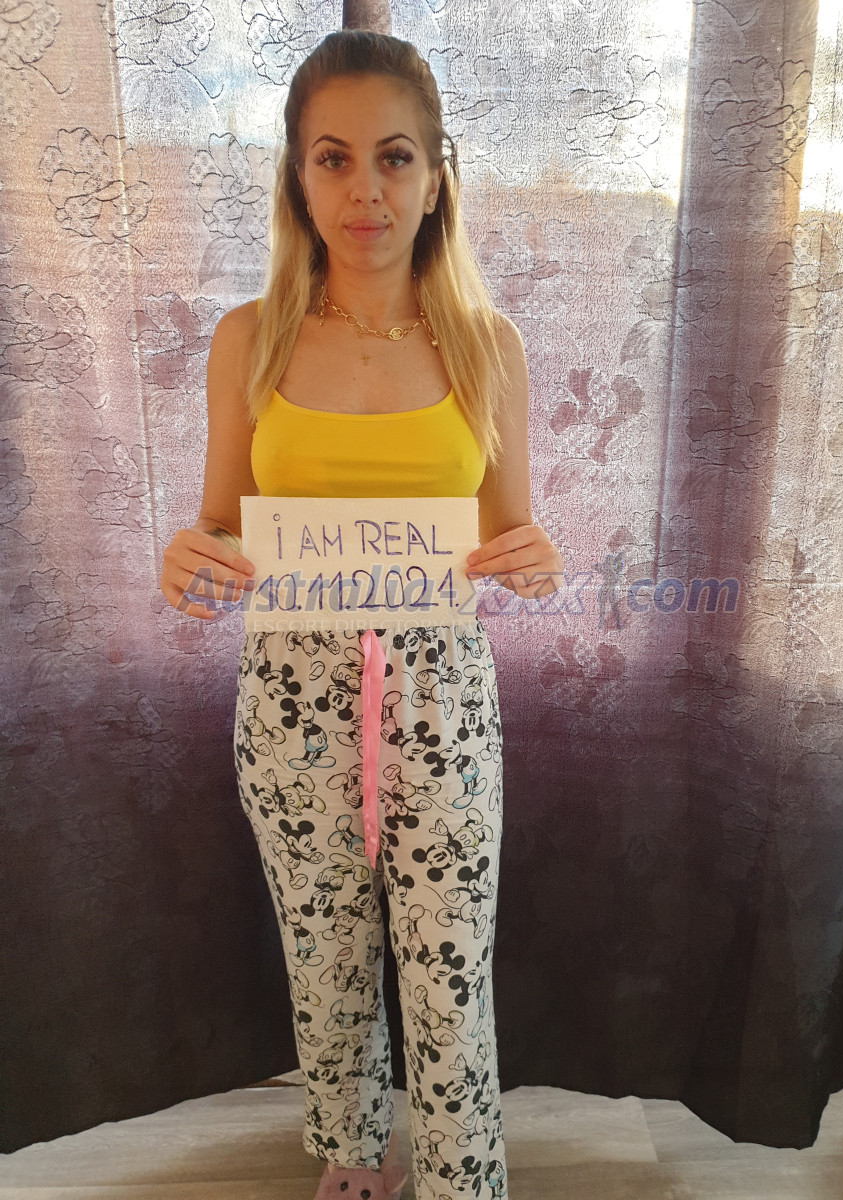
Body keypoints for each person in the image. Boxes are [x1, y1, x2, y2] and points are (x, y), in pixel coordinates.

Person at [160, 29, 563, 1200]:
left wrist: (535, 559)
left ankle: (461, 1178)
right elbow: (219, 528)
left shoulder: (488, 347)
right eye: (333, 158)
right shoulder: (251, 339)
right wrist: (191, 558)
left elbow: (509, 536)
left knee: (449, 967)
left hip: (444, 700)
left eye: (394, 157)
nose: (365, 191)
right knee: (324, 946)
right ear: (298, 176)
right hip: (291, 703)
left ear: (436, 175)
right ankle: (350, 1153)